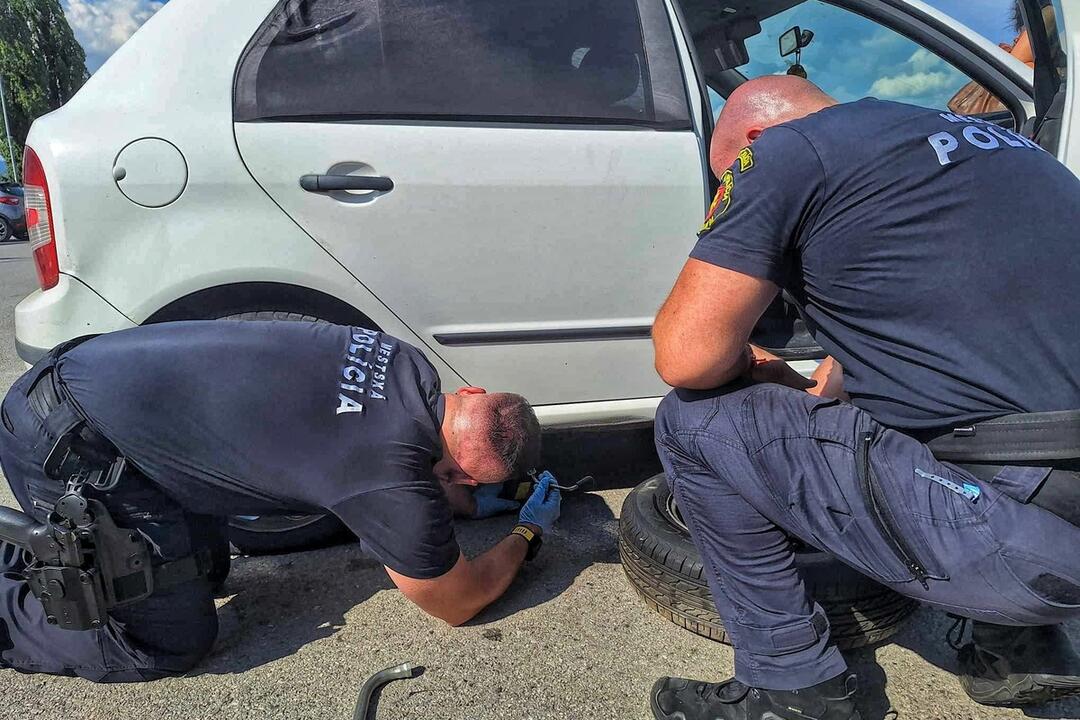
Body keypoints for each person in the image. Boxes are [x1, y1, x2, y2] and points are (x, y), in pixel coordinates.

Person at [648, 75, 1080, 720]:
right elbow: (937, 318)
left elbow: (686, 356)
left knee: (694, 419)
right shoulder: (1008, 148)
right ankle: (1018, 652)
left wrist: (752, 369)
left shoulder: (783, 151)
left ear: (757, 138)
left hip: (1026, 536)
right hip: (1058, 512)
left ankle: (790, 686)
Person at [0, 320, 561, 682]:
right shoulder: (386, 474)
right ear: (462, 480)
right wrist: (526, 535)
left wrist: (461, 502)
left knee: (206, 572)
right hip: (71, 450)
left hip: (87, 383)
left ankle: (40, 559)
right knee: (168, 640)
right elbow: (456, 602)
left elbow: (390, 457)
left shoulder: (404, 361)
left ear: (472, 393)